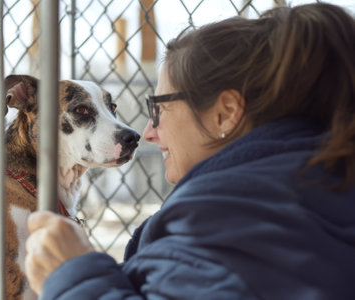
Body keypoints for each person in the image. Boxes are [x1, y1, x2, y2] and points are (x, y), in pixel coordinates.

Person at [24, 3, 355, 299]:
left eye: (159, 109)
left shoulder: (229, 227)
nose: (148, 133)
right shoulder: (316, 192)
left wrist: (73, 278)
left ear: (225, 112)